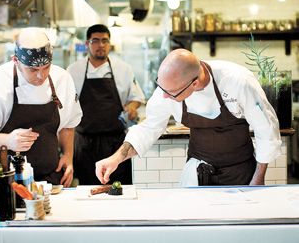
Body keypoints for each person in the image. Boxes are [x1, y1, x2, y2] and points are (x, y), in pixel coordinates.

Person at [95, 48, 282, 186]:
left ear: (195, 83)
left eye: (172, 93)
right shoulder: (169, 87)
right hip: (198, 170)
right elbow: (149, 127)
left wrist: (258, 179)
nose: (165, 96)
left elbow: (266, 129)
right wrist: (116, 158)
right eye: (162, 89)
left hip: (241, 172)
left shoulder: (238, 82)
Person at [0, 27, 82, 187]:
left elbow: (69, 124)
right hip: (4, 181)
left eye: (46, 67)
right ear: (15, 60)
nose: (40, 76)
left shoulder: (62, 78)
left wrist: (68, 155)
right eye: (33, 69)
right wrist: (7, 140)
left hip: (50, 180)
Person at [67, 24, 145, 185]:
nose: (100, 45)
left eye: (104, 41)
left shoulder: (123, 69)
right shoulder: (73, 70)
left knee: (120, 187)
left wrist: (132, 106)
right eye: (95, 41)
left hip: (116, 143)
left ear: (109, 43)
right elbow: (66, 105)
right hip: (84, 144)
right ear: (87, 43)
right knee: (88, 189)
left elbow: (137, 97)